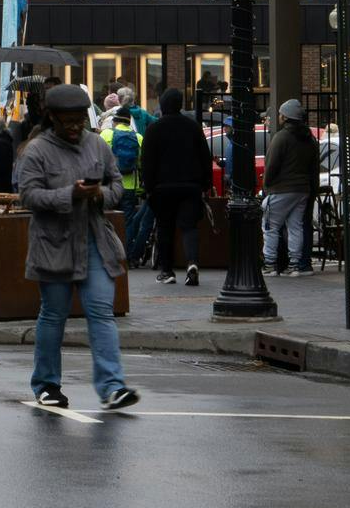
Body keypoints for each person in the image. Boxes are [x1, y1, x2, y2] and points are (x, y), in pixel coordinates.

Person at [14, 82, 139, 411]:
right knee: (54, 315)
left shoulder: (97, 145)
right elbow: (27, 196)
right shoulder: (37, 150)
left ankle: (112, 387)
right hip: (53, 244)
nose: (74, 126)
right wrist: (70, 194)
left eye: (79, 119)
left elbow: (116, 185)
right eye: (67, 120)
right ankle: (46, 385)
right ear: (52, 117)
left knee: (101, 312)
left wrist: (100, 195)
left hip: (94, 239)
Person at [140, 87, 211, 287]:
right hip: (190, 186)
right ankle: (192, 263)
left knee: (165, 227)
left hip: (162, 187)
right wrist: (205, 183)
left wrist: (149, 187)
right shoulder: (193, 127)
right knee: (189, 226)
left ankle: (167, 270)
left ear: (163, 105)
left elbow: (147, 161)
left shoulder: (154, 129)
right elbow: (204, 157)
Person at [262, 99, 318, 277]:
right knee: (296, 227)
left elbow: (271, 165)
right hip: (302, 190)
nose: (278, 116)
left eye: (280, 113)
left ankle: (270, 265)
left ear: (285, 117)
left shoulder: (281, 137)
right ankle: (295, 265)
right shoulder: (309, 139)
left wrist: (267, 185)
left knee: (270, 226)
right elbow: (314, 167)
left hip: (281, 189)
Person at [100, 105, 148, 265]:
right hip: (129, 186)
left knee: (107, 219)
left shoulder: (106, 134)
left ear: (114, 122)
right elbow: (141, 164)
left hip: (109, 186)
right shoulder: (138, 137)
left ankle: (107, 254)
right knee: (127, 221)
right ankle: (125, 256)